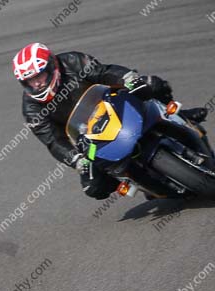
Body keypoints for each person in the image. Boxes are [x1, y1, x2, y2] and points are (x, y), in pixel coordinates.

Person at [13, 42, 208, 199]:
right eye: (30, 81)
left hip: (113, 103)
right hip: (88, 138)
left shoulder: (72, 61)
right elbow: (53, 141)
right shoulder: (31, 108)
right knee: (94, 187)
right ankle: (136, 181)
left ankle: (182, 115)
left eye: (40, 76)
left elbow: (103, 72)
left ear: (52, 66)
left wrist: (129, 79)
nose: (36, 84)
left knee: (152, 84)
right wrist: (77, 161)